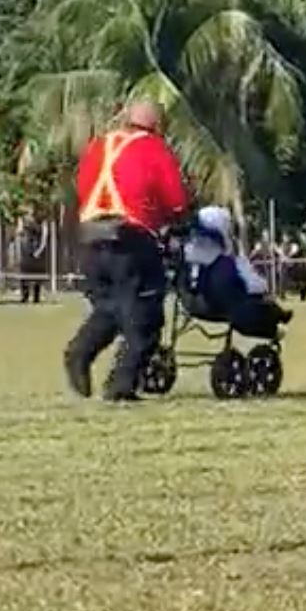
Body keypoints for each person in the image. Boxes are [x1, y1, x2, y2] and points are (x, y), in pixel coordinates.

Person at [64, 101, 189, 402]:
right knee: (144, 315)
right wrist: (174, 221)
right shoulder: (153, 148)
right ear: (157, 125)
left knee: (109, 307)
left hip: (91, 237)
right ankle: (121, 384)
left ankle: (79, 353)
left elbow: (82, 188)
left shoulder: (99, 145)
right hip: (130, 239)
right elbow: (175, 200)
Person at [183, 206, 291, 340]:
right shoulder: (224, 263)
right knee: (255, 304)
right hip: (223, 307)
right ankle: (276, 320)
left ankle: (277, 314)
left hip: (191, 304)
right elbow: (256, 285)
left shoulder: (188, 259)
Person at [15, 212, 47, 304]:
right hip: (26, 250)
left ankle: (36, 297)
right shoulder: (24, 222)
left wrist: (39, 251)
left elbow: (44, 239)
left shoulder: (42, 223)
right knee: (24, 275)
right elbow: (19, 233)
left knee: (37, 276)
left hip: (37, 250)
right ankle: (25, 296)